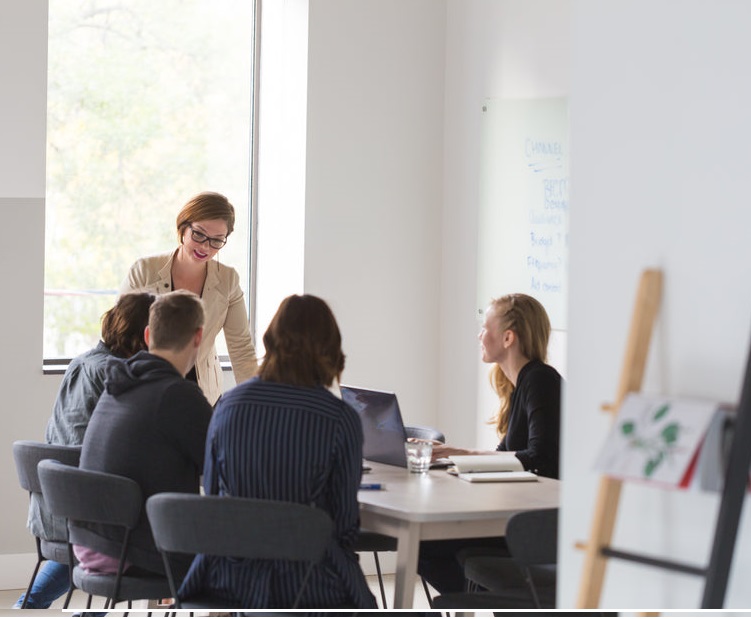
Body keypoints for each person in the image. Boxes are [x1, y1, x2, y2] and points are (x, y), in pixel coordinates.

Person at [178, 294, 377, 610]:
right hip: (309, 582)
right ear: (330, 348)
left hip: (229, 578)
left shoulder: (228, 405)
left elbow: (214, 500)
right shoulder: (340, 418)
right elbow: (343, 525)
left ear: (270, 341)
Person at [15, 292, 155, 610]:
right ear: (146, 333)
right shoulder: (118, 374)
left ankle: (31, 606)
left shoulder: (81, 362)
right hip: (85, 512)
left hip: (52, 505)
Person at [418, 293, 562, 594]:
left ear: (508, 337)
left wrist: (460, 453)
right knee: (427, 544)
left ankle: (498, 601)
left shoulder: (540, 380)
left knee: (427, 545)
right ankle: (495, 601)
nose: (479, 335)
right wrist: (450, 459)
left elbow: (540, 458)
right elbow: (505, 457)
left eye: (485, 327)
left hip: (538, 526)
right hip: (522, 515)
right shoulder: (522, 384)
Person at [72, 290, 213, 577]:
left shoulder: (117, 383)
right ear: (198, 338)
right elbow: (223, 467)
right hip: (132, 550)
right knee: (243, 544)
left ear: (148, 335)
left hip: (89, 541)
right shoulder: (179, 395)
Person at [120, 191, 258, 405]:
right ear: (183, 228)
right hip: (148, 390)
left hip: (203, 395)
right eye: (199, 234)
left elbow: (241, 349)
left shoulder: (228, 280)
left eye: (216, 241)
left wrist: (256, 403)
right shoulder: (144, 270)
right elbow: (120, 336)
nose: (205, 246)